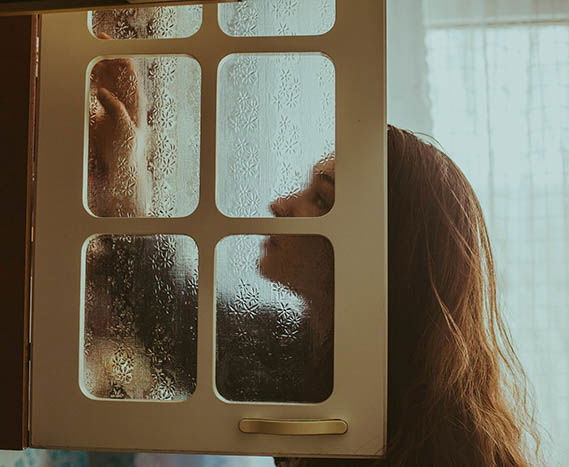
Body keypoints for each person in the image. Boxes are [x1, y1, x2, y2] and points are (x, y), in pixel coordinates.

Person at [89, 58, 542, 466]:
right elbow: (178, 324)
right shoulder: (317, 353)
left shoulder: (434, 445)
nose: (280, 204)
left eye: (321, 200)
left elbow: (173, 323)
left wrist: (128, 173)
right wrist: (130, 161)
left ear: (382, 257)